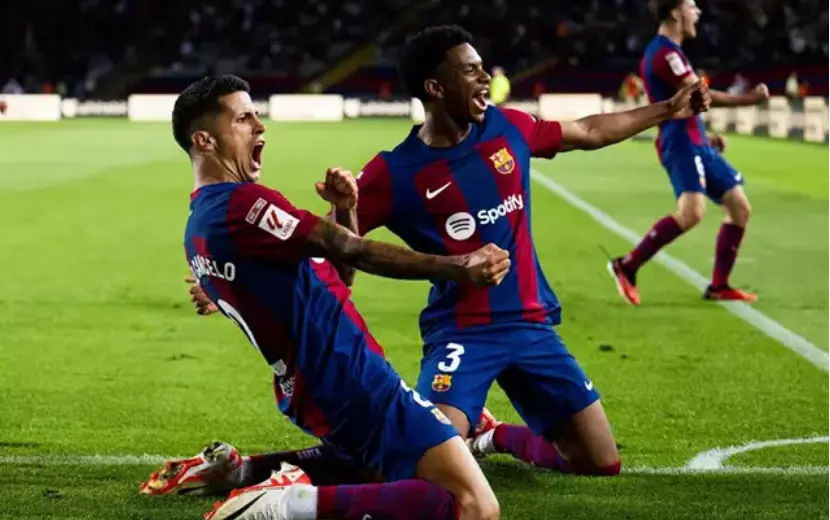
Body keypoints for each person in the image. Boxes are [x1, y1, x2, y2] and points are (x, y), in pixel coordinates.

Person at [182, 25, 708, 479]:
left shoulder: (509, 129)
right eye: (472, 71)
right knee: (423, 453)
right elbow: (328, 247)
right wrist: (237, 282)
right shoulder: (393, 171)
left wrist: (667, 108)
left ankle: (494, 436)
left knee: (599, 461)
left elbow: (589, 131)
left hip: (530, 323)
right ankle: (441, 440)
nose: (485, 80)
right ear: (435, 87)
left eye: (483, 69)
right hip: (461, 333)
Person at [167, 74, 514, 520]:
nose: (260, 126)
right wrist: (459, 265)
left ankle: (245, 472)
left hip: (312, 388)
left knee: (378, 469)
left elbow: (335, 279)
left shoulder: (199, 227)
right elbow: (352, 250)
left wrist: (347, 210)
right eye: (244, 118)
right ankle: (288, 501)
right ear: (205, 139)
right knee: (475, 507)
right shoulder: (243, 206)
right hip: (350, 376)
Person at [607, 0, 770, 306]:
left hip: (694, 140)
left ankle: (719, 286)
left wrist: (705, 137)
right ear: (674, 12)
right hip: (679, 141)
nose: (698, 12)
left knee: (739, 207)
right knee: (692, 212)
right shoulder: (665, 52)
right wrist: (750, 100)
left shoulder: (671, 51)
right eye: (692, 6)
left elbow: (687, 102)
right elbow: (699, 94)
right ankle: (627, 266)